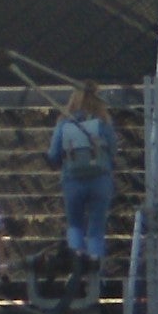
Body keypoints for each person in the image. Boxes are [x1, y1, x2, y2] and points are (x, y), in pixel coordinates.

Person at [49, 86, 120, 268]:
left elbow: (53, 154)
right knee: (96, 227)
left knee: (75, 224)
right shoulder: (103, 122)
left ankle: (76, 264)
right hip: (100, 180)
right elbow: (113, 149)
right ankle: (95, 267)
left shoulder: (64, 123)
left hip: (72, 179)